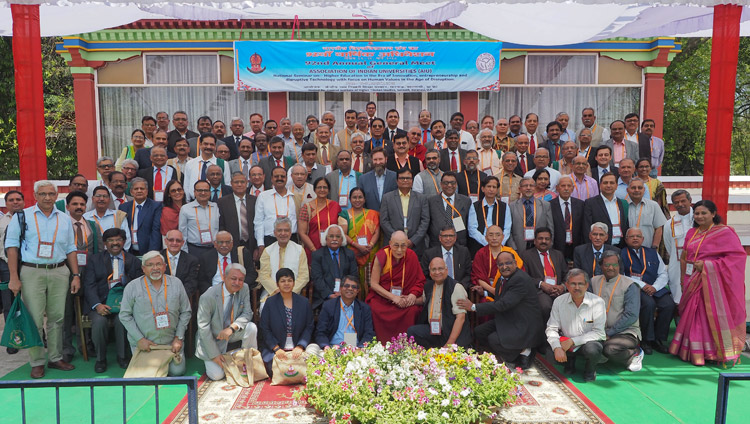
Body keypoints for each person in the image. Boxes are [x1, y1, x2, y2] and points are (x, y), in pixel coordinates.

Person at [5, 181, 82, 378]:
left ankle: (55, 358)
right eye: (42, 194)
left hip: (59, 270)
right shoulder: (23, 216)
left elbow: (71, 249)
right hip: (32, 271)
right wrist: (14, 276)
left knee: (57, 318)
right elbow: (12, 247)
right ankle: (37, 361)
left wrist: (75, 275)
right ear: (35, 195)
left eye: (51, 194)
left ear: (57, 196)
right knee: (35, 319)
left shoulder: (64, 219)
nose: (47, 197)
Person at [669, 200, 746, 366]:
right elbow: (684, 257)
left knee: (706, 315)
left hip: (711, 282)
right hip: (692, 280)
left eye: (704, 213)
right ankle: (690, 351)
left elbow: (736, 258)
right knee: (691, 314)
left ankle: (712, 352)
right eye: (697, 213)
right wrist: (683, 278)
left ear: (713, 214)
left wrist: (708, 265)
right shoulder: (691, 233)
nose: (700, 216)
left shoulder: (724, 232)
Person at [457, 251, 544, 369]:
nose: (504, 267)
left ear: (515, 263)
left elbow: (503, 304)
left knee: (493, 339)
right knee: (479, 331)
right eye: (501, 264)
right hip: (508, 317)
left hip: (523, 323)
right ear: (497, 266)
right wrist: (484, 292)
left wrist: (473, 307)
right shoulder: (503, 279)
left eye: (508, 263)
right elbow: (500, 296)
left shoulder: (520, 279)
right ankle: (512, 352)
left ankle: (525, 351)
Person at [119, 251, 192, 376]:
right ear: (143, 269)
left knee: (177, 372)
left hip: (171, 343)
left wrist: (178, 338)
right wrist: (140, 339)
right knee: (145, 376)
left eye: (159, 264)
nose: (155, 268)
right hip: (146, 344)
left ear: (165, 266)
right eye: (150, 265)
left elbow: (186, 312)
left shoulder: (176, 283)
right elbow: (124, 315)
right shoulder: (132, 287)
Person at [83, 228, 143, 372]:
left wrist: (128, 304)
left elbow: (138, 285)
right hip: (101, 302)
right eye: (110, 240)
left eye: (118, 240)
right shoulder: (94, 260)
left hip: (124, 303)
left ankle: (122, 357)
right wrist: (97, 305)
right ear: (105, 243)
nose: (115, 243)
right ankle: (100, 359)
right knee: (99, 322)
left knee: (122, 320)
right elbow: (89, 285)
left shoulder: (133, 260)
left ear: (124, 242)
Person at [196, 263, 258, 381]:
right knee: (217, 376)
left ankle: (247, 359)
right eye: (233, 278)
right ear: (224, 277)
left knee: (251, 327)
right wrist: (214, 355)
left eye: (241, 279)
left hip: (231, 332)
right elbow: (203, 329)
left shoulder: (244, 288)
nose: (237, 282)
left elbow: (247, 313)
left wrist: (232, 327)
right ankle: (230, 357)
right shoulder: (208, 296)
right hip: (212, 337)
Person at [546, 269, 606, 382]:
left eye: (580, 284)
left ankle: (590, 369)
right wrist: (557, 347)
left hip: (586, 343)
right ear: (567, 285)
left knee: (593, 349)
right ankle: (570, 361)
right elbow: (551, 328)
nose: (577, 287)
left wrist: (573, 341)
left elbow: (599, 333)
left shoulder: (598, 302)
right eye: (573, 284)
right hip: (565, 342)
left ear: (587, 285)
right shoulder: (559, 301)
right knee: (550, 353)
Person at [366, 231, 425, 343]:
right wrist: (393, 297)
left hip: (404, 299)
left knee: (412, 311)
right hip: (384, 299)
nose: (399, 250)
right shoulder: (381, 256)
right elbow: (373, 283)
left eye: (403, 246)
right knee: (374, 308)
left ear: (407, 244)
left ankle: (406, 345)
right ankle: (381, 343)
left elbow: (420, 280)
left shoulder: (411, 255)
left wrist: (413, 294)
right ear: (390, 243)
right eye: (396, 245)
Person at [621, 228, 673, 355]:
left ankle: (659, 339)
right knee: (648, 304)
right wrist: (643, 285)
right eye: (632, 236)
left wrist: (655, 287)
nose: (635, 238)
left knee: (668, 305)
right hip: (636, 289)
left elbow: (663, 273)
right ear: (626, 239)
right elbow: (622, 275)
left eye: (638, 236)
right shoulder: (621, 253)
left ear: (643, 239)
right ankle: (646, 340)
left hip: (656, 288)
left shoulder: (652, 252)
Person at [259, 268, 319, 374]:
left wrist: (300, 346)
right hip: (276, 348)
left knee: (310, 360)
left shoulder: (303, 302)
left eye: (289, 280)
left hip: (297, 347)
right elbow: (265, 328)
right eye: (283, 281)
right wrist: (276, 349)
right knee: (274, 367)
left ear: (294, 283)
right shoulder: (270, 302)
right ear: (277, 284)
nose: (286, 283)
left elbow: (309, 326)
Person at [592, 251, 644, 372]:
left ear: (619, 266)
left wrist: (610, 333)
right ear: (601, 266)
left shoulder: (630, 285)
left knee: (610, 349)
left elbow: (631, 315)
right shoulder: (594, 281)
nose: (610, 268)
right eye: (606, 265)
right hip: (600, 330)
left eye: (614, 265)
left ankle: (634, 354)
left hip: (625, 331)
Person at [407, 257, 471, 349]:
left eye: (440, 269)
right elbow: (424, 300)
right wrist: (408, 300)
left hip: (450, 331)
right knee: (412, 331)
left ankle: (444, 349)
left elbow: (460, 318)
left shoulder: (456, 287)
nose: (437, 272)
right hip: (434, 330)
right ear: (430, 272)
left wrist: (449, 344)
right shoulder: (428, 286)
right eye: (434, 269)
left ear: (446, 270)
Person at [519, 227, 568, 322]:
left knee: (568, 304)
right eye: (540, 238)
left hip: (559, 290)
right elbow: (523, 277)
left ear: (551, 241)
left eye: (547, 239)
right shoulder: (526, 255)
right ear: (535, 241)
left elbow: (566, 274)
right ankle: (546, 331)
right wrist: (541, 284)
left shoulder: (558, 254)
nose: (544, 241)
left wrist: (562, 286)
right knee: (546, 306)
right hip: (539, 291)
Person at [315, 275, 376, 348]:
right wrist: (325, 347)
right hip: (332, 348)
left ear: (358, 291)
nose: (350, 288)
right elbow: (320, 332)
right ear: (340, 288)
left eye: (354, 287)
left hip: (356, 349)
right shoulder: (328, 306)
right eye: (346, 286)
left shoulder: (364, 308)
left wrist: (360, 348)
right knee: (312, 348)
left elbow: (369, 333)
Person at [380, 167, 430, 255]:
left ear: (412, 180)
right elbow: (384, 221)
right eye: (402, 178)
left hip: (415, 245)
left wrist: (413, 240)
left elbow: (425, 221)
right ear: (397, 181)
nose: (405, 180)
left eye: (408, 178)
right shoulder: (387, 198)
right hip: (393, 245)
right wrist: (398, 239)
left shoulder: (421, 198)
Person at [257, 218, 309, 302]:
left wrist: (290, 291)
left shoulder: (299, 250)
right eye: (279, 230)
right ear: (274, 233)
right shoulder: (267, 251)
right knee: (267, 308)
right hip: (272, 293)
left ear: (291, 232)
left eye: (286, 230)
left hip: (293, 293)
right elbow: (264, 276)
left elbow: (304, 276)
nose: (283, 233)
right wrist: (277, 291)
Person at [338, 187, 381, 288]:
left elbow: (376, 232)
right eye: (354, 197)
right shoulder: (344, 214)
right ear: (350, 199)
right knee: (353, 283)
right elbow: (343, 234)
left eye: (360, 197)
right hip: (352, 255)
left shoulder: (372, 214)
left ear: (365, 199)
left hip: (370, 253)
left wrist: (370, 246)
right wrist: (357, 246)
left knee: (370, 284)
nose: (357, 200)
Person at [470, 225, 523, 303]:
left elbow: (518, 275)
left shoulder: (511, 253)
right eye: (491, 235)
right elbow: (478, 277)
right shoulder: (481, 253)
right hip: (487, 290)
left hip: (508, 290)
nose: (494, 238)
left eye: (498, 235)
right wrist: (493, 290)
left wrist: (502, 289)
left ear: (503, 237)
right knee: (485, 304)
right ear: (486, 238)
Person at [310, 225, 358, 310]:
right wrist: (330, 295)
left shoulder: (349, 254)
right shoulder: (317, 255)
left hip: (347, 295)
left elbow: (353, 277)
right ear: (326, 239)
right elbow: (317, 279)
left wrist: (344, 292)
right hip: (324, 297)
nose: (334, 239)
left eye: (338, 236)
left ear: (342, 239)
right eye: (331, 236)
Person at [0, 190, 25, 354]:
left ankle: (39, 335)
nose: (15, 202)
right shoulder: (2, 221)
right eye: (11, 200)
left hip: (28, 265)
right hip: (5, 266)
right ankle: (13, 339)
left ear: (23, 201)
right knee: (10, 305)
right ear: (6, 203)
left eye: (18, 199)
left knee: (30, 304)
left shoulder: (29, 218)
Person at [197, 230, 257, 295]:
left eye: (227, 242)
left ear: (232, 243)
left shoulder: (242, 254)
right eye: (221, 242)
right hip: (214, 293)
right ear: (215, 244)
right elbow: (201, 280)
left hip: (237, 291)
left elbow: (252, 274)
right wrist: (211, 291)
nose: (224, 245)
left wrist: (239, 285)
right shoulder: (206, 257)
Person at [298, 176, 342, 258]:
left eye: (325, 187)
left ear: (329, 190)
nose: (322, 190)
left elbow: (341, 228)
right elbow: (302, 232)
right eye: (319, 187)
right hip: (312, 250)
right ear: (314, 190)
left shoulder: (335, 206)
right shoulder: (307, 207)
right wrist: (314, 250)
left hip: (333, 250)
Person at [467, 176, 512, 255]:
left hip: (500, 247)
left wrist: (499, 243)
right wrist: (487, 242)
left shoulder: (504, 206)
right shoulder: (475, 206)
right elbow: (472, 229)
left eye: (494, 187)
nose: (491, 189)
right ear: (483, 189)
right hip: (479, 245)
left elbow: (507, 228)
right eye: (489, 186)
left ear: (497, 190)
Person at [254, 167, 297, 249]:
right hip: (270, 240)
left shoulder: (295, 197)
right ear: (271, 179)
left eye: (282, 176)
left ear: (287, 179)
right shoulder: (263, 196)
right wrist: (260, 244)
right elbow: (258, 222)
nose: (279, 179)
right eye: (276, 176)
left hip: (291, 240)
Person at [582, 173, 629, 248]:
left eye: (612, 183)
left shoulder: (622, 203)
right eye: (605, 183)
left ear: (616, 186)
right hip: (600, 247)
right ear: (600, 185)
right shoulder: (590, 203)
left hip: (620, 246)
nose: (608, 185)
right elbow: (587, 228)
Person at [662, 190, 693, 304]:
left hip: (697, 264)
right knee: (678, 297)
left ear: (690, 201)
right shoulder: (669, 224)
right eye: (676, 202)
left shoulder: (699, 219)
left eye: (683, 201)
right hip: (677, 264)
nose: (680, 204)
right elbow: (669, 246)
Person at [426, 172, 471, 248]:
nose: (449, 185)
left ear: (456, 184)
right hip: (436, 244)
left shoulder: (466, 201)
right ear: (441, 184)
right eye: (446, 183)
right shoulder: (431, 201)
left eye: (452, 183)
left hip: (459, 244)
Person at [120, 177, 163, 255]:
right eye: (136, 189)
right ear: (131, 192)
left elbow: (156, 230)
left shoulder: (155, 206)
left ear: (147, 191)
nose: (139, 191)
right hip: (129, 251)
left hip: (148, 250)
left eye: (142, 188)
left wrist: (152, 253)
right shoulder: (124, 207)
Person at [509, 177, 554, 251]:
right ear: (519, 189)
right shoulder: (512, 206)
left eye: (531, 186)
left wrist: (549, 245)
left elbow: (550, 227)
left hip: (540, 246)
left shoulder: (545, 205)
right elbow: (509, 230)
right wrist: (513, 248)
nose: (528, 188)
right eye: (525, 186)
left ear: (535, 188)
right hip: (519, 247)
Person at [421, 226, 472, 291]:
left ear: (455, 238)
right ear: (440, 238)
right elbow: (425, 276)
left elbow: (468, 274)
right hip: (437, 289)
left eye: (451, 236)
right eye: (445, 236)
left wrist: (459, 287)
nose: (448, 239)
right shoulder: (429, 254)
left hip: (459, 289)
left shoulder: (463, 252)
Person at [183, 133, 231, 200]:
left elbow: (227, 184)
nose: (208, 147)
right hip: (194, 202)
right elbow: (187, 186)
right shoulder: (190, 163)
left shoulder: (223, 164)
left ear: (215, 146)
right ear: (200, 145)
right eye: (206, 144)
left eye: (211, 144)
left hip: (217, 202)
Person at [84, 185, 132, 251]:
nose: (101, 199)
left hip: (116, 254)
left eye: (105, 196)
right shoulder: (85, 217)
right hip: (93, 256)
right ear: (93, 199)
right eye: (98, 196)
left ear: (109, 199)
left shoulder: (119, 215)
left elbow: (126, 238)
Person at [218, 172, 257, 252]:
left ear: (247, 183)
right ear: (231, 183)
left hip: (252, 245)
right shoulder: (222, 202)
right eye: (236, 182)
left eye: (242, 182)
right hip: (231, 246)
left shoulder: (255, 200)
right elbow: (221, 225)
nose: (239, 185)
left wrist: (257, 247)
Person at [179, 180, 220, 257]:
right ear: (194, 192)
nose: (203, 193)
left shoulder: (216, 207)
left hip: (214, 249)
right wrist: (184, 253)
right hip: (194, 250)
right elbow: (182, 233)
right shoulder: (185, 209)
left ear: (210, 192)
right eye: (200, 190)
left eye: (206, 190)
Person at [550, 175, 585, 260]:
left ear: (572, 188)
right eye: (563, 186)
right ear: (557, 188)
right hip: (557, 247)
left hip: (576, 246)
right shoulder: (549, 205)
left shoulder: (581, 204)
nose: (566, 188)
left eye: (569, 186)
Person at [625, 178, 666, 249]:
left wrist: (655, 246)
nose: (636, 190)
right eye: (633, 188)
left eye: (640, 188)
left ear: (644, 190)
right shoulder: (623, 205)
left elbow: (659, 228)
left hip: (648, 248)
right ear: (627, 190)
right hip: (626, 250)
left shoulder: (653, 205)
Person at [161, 230, 200, 299]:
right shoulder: (157, 258)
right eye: (171, 240)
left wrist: (179, 297)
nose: (174, 243)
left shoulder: (191, 260)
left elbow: (191, 284)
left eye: (178, 241)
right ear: (165, 241)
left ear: (182, 243)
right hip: (160, 296)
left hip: (182, 298)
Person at [359, 147, 397, 212]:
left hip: (391, 217)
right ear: (371, 160)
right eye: (375, 159)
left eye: (380, 159)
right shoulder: (363, 179)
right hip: (370, 218)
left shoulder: (395, 177)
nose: (378, 162)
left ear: (386, 159)